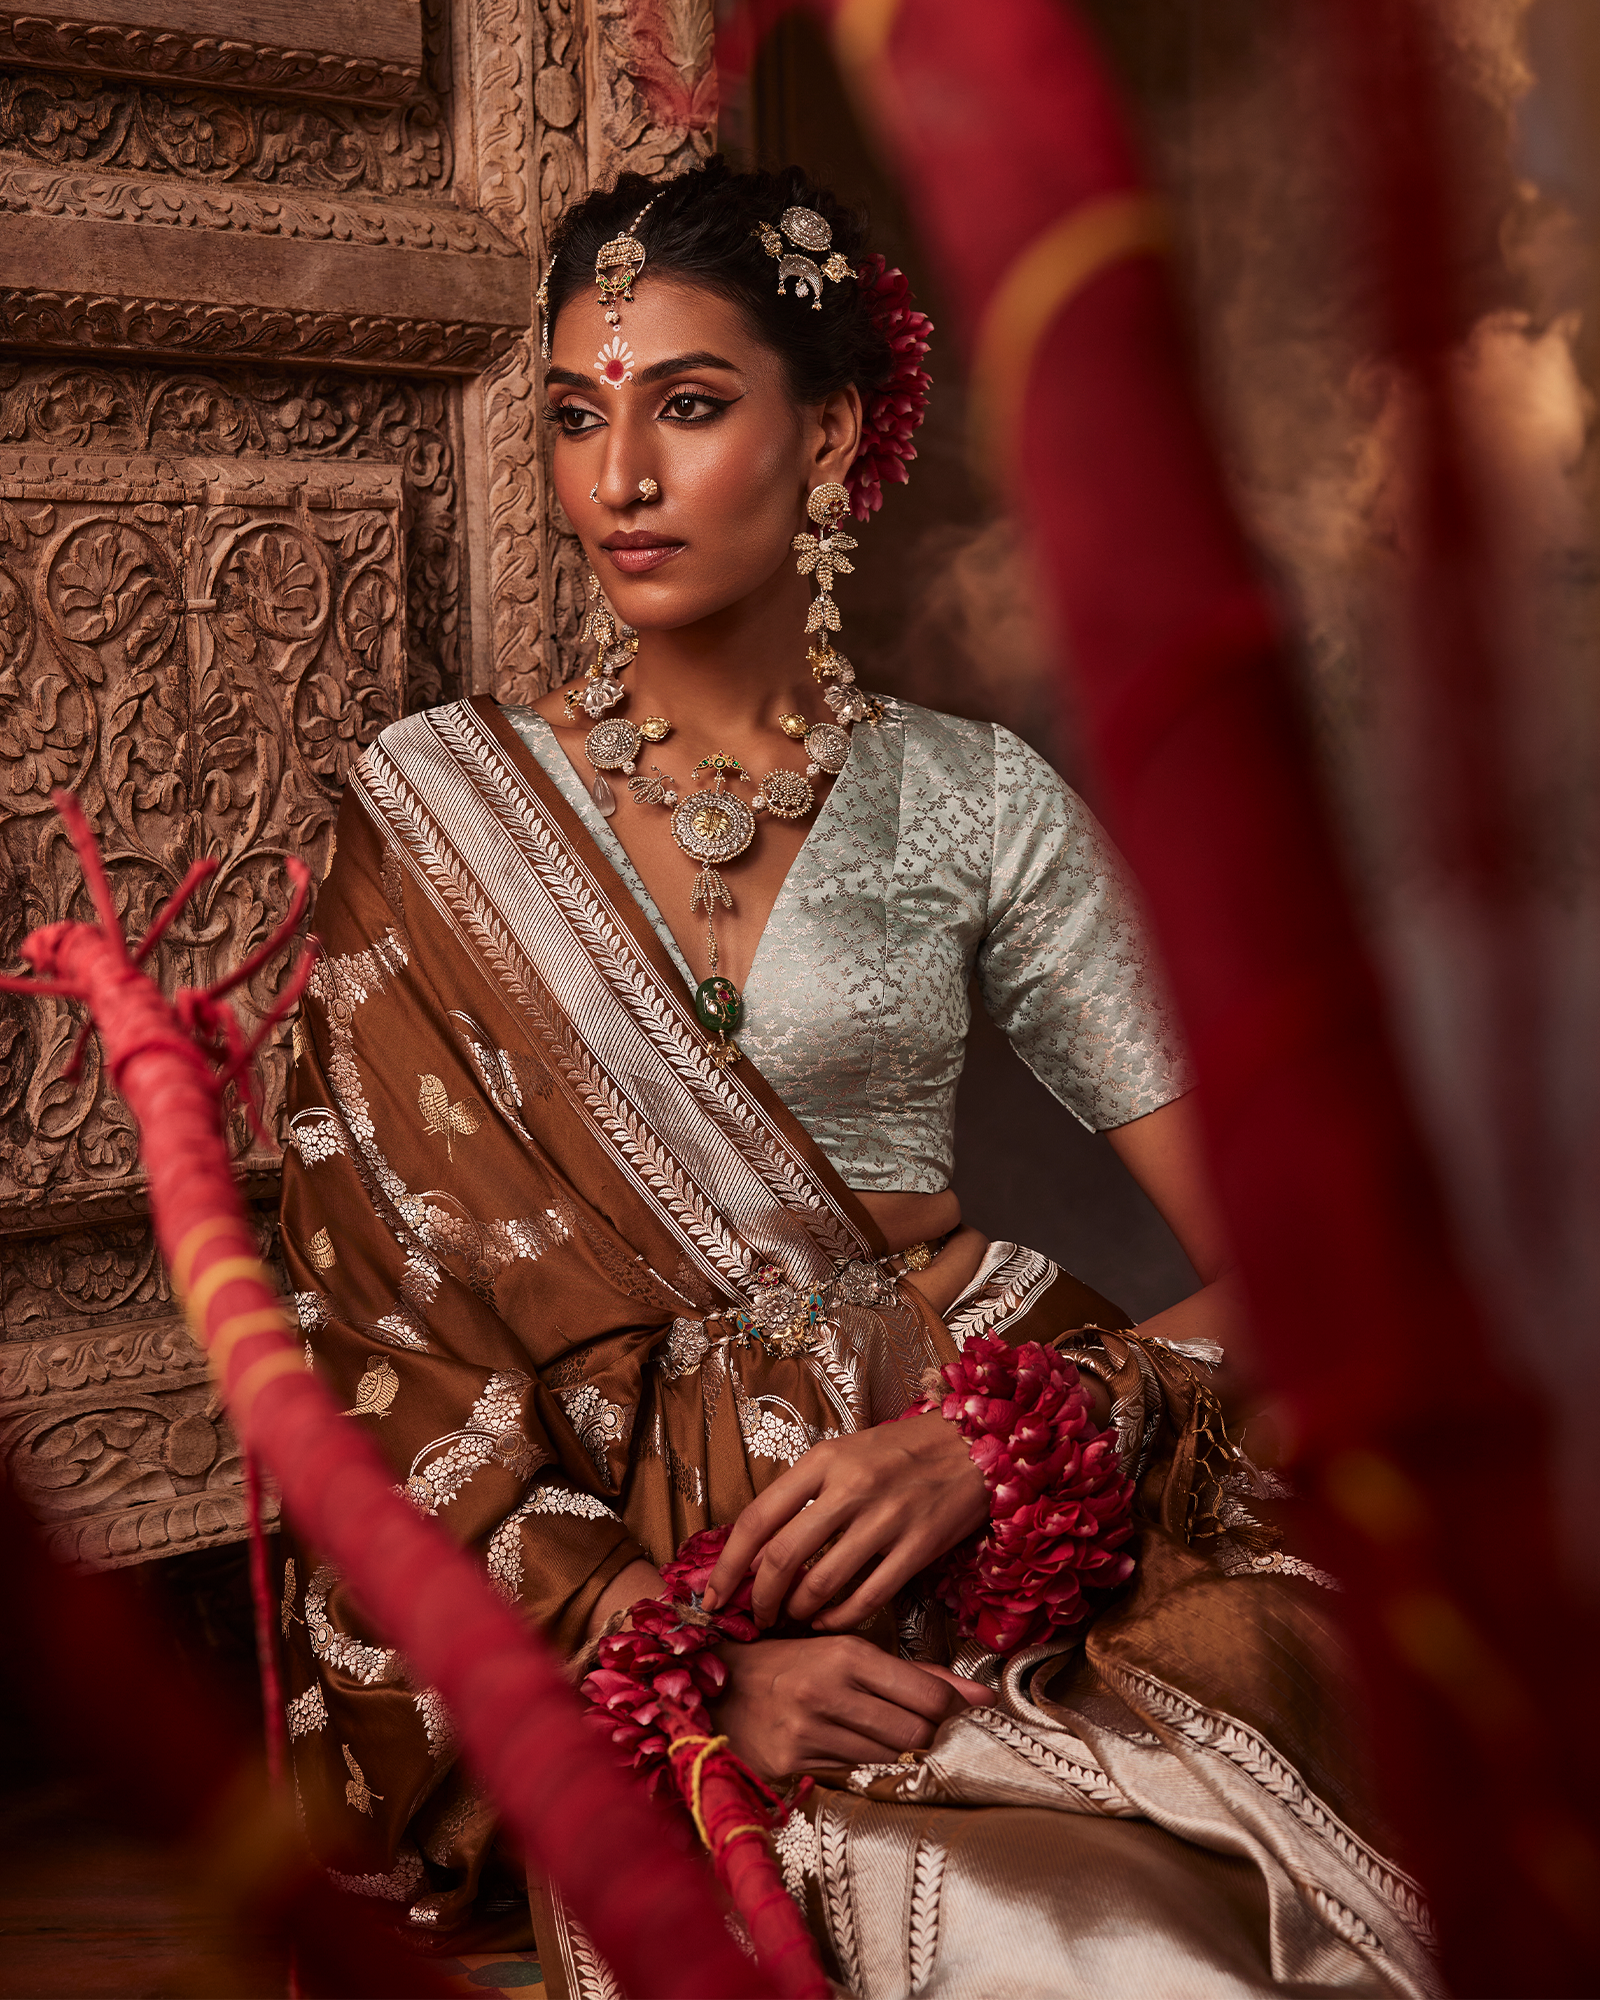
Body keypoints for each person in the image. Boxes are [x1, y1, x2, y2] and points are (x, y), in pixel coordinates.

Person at [277, 159, 1439, 1999]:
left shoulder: (974, 806)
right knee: (1071, 1947)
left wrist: (1011, 1436)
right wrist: (687, 1671)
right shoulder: (432, 816)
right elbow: (376, 1346)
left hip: (984, 1511)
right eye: (580, 416)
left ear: (830, 437)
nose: (617, 481)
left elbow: (1308, 1265)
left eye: (690, 406)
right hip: (643, 1568)